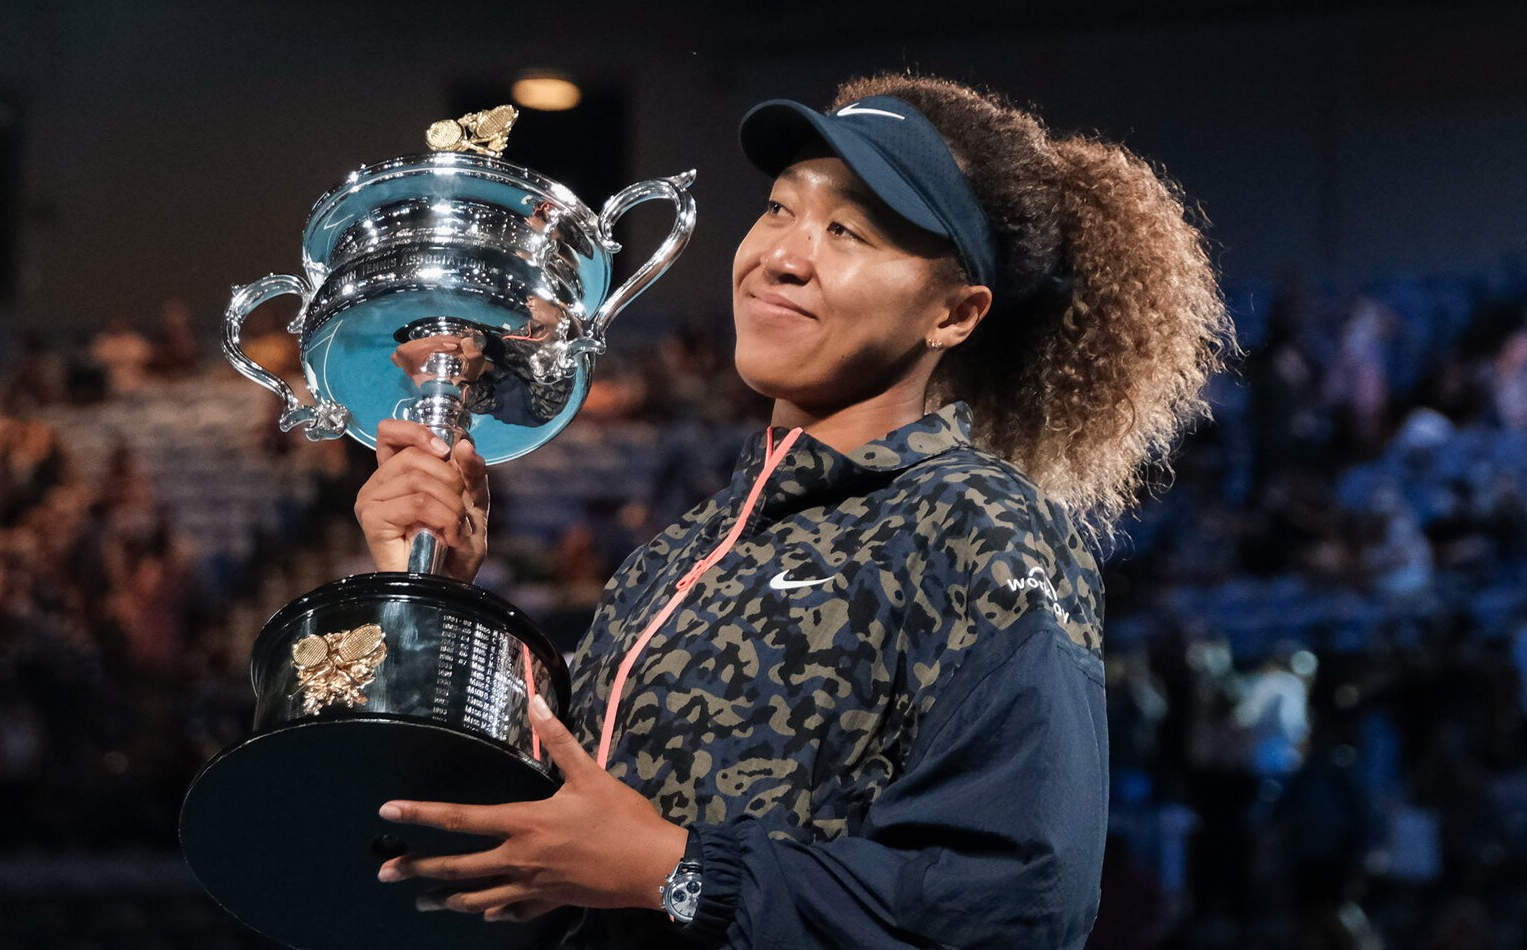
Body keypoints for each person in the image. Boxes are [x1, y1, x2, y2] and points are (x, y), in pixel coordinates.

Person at [353, 73, 1232, 948]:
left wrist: (675, 869)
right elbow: (528, 838)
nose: (782, 253)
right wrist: (437, 589)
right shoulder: (681, 551)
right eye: (780, 209)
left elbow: (1016, 905)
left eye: (846, 230)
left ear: (955, 315)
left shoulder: (978, 523)